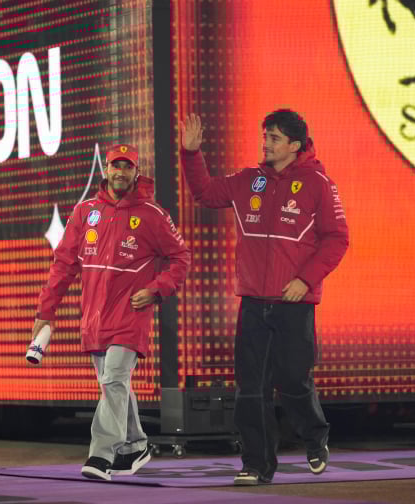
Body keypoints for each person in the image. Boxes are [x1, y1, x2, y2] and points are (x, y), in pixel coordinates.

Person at [179, 109, 349, 486]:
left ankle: (314, 436)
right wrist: (191, 154)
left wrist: (305, 280)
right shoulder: (247, 180)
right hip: (253, 303)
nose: (266, 143)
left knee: (292, 379)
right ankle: (256, 464)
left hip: (295, 303)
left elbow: (337, 239)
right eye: (264, 136)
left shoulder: (318, 182)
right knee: (250, 388)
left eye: (274, 137)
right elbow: (205, 193)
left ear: (294, 144)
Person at [34, 144, 191, 481]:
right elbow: (63, 265)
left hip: (131, 313)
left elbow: (181, 258)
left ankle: (101, 455)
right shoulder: (85, 211)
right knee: (113, 386)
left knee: (115, 379)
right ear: (106, 168)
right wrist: (45, 312)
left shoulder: (152, 213)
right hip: (94, 317)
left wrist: (155, 288)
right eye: (115, 166)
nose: (120, 172)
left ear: (136, 171)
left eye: (127, 166)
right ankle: (136, 444)